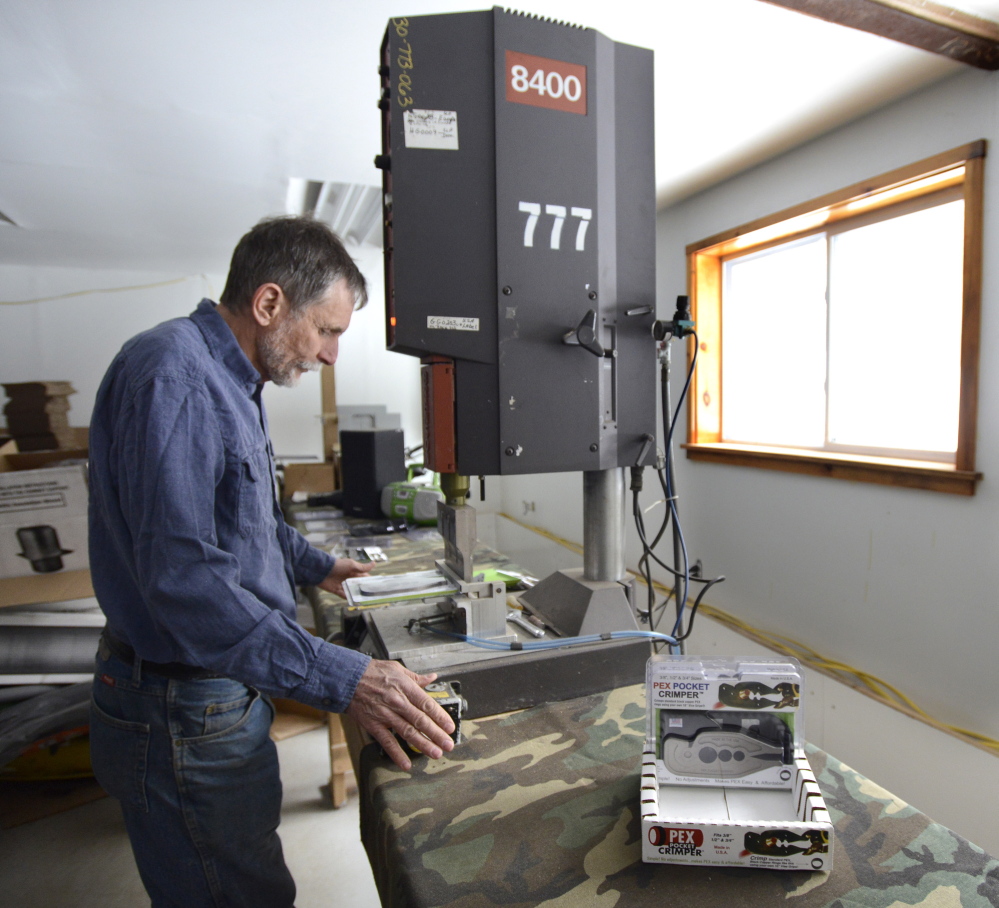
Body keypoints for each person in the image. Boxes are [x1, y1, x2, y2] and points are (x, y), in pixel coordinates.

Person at [87, 216, 455, 908]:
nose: (331, 355)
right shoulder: (176, 376)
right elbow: (186, 582)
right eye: (327, 330)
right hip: (181, 707)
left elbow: (245, 521)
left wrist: (318, 566)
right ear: (268, 304)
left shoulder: (232, 378)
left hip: (215, 695)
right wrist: (345, 679)